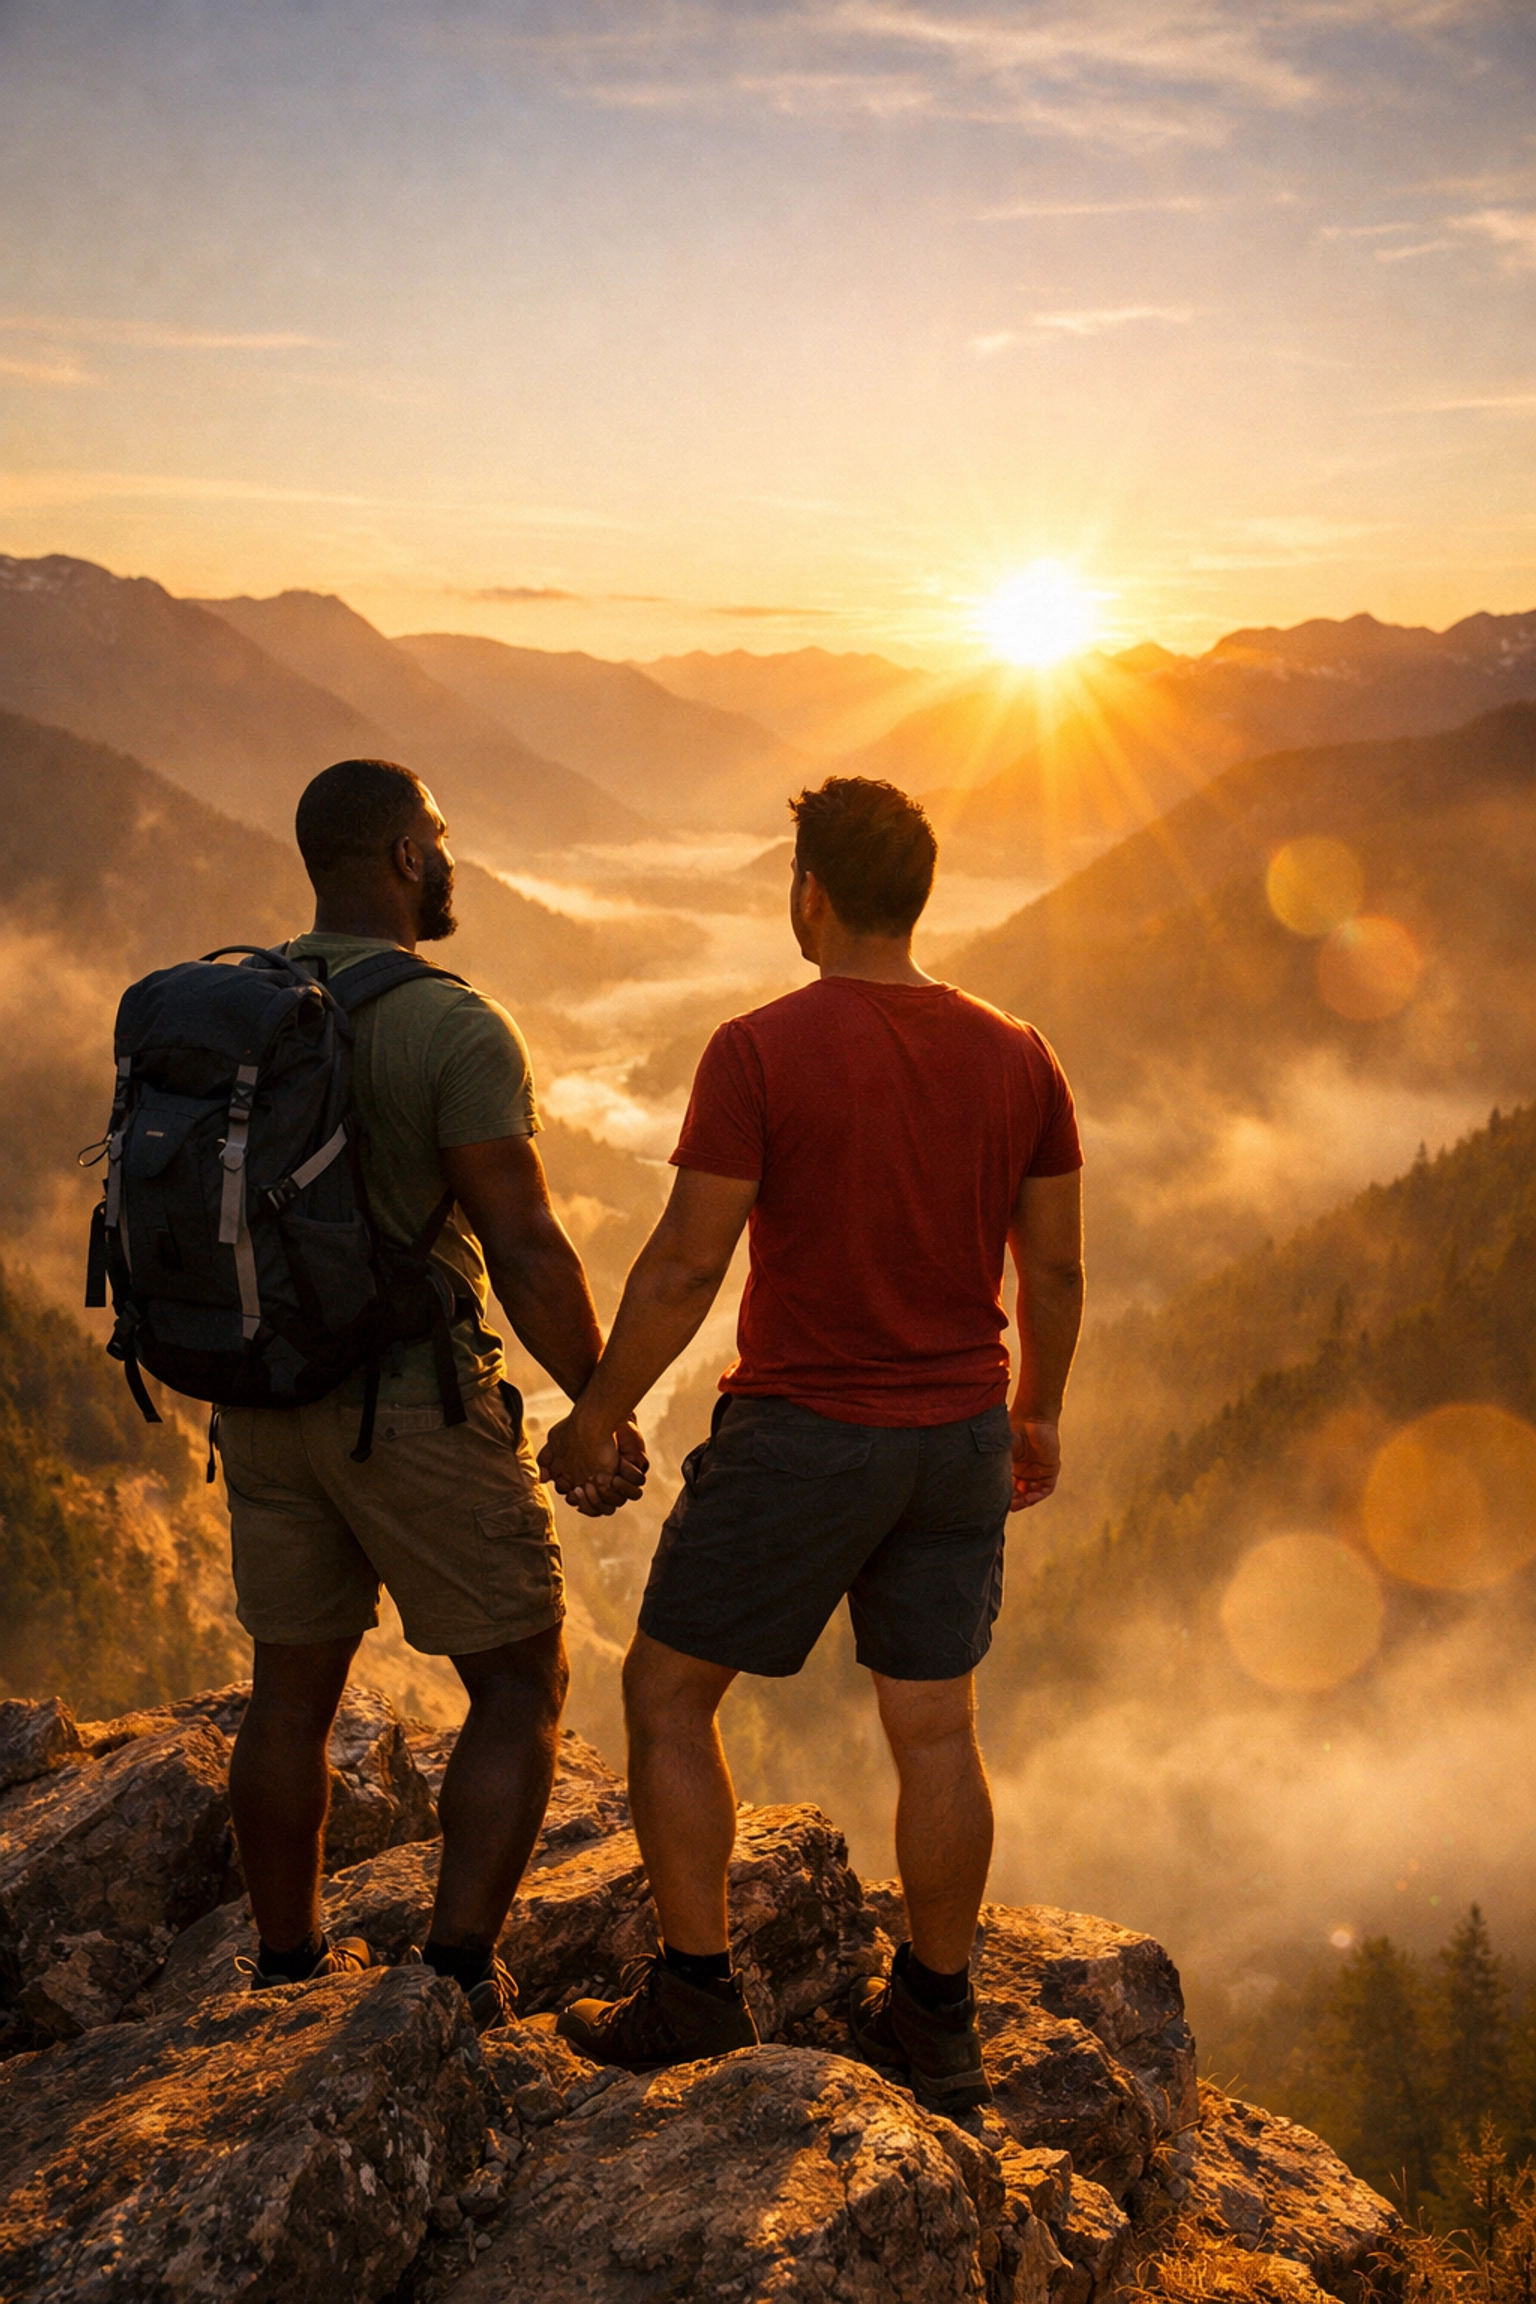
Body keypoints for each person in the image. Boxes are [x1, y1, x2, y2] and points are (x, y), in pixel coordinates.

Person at [539, 774, 1084, 2112]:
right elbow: (1057, 1271)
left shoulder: (759, 1049)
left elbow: (687, 1264)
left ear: (811, 896)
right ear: (920, 897)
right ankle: (937, 2022)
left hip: (803, 1433)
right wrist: (1038, 1412)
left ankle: (694, 1993)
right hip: (957, 1434)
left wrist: (598, 1413)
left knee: (669, 1694)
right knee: (937, 1730)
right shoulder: (1021, 1054)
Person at [218, 757, 645, 2030]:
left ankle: (285, 1968)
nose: (449, 857)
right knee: (518, 1681)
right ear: (407, 857)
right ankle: (453, 1981)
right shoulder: (453, 1025)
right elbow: (526, 1248)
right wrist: (600, 1406)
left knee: (289, 1693)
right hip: (412, 1406)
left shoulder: (244, 1003)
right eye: (439, 837)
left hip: (261, 1399)